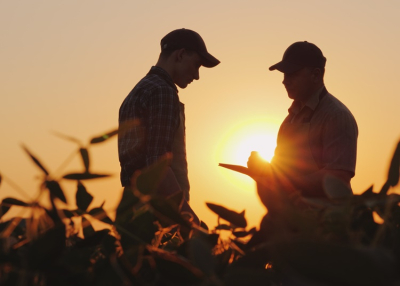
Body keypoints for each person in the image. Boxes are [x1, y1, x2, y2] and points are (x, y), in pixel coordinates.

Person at [118, 28, 220, 223]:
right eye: (196, 65)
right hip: (157, 213)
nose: (197, 75)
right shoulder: (163, 92)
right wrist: (188, 218)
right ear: (180, 55)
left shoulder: (137, 91)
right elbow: (158, 164)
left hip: (132, 208)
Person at [248, 41, 358, 204]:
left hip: (329, 222)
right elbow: (281, 170)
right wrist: (263, 169)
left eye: (292, 74)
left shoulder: (336, 116)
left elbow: (337, 178)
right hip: (295, 219)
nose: (285, 81)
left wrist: (281, 181)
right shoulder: (289, 121)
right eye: (284, 75)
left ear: (316, 74)